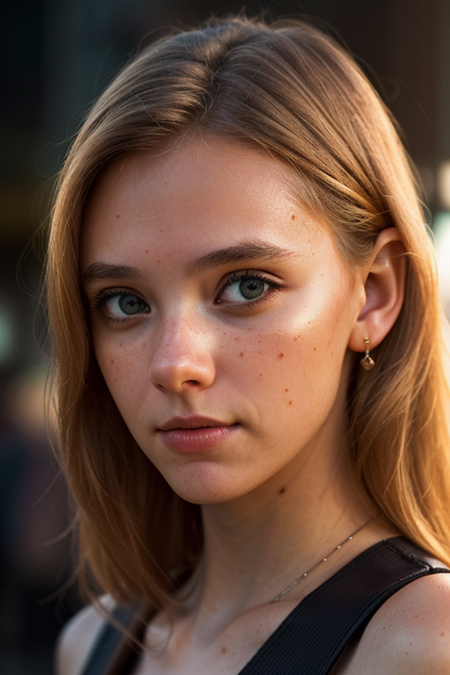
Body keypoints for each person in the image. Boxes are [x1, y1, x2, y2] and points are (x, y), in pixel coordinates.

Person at [49, 15, 450, 675]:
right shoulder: (94, 642)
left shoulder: (419, 646)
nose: (176, 362)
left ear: (374, 293)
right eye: (126, 302)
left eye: (246, 285)